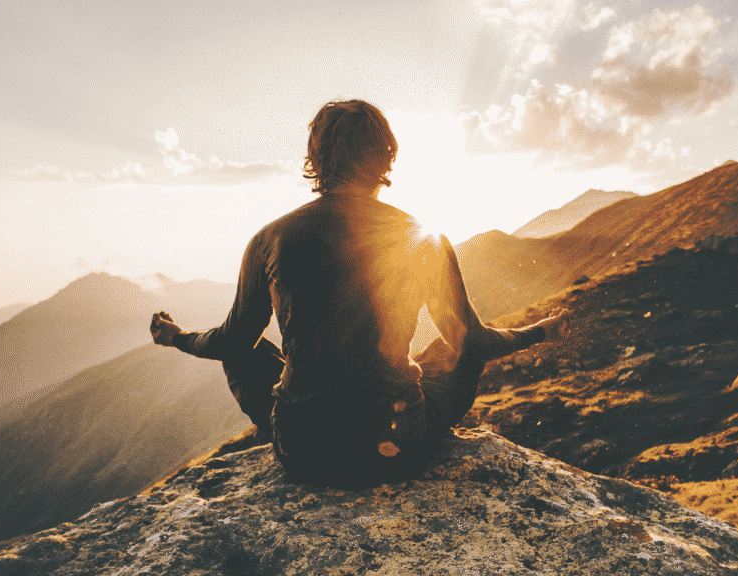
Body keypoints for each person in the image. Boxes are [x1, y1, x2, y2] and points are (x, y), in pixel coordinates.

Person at [150, 99, 568, 487]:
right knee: (456, 349)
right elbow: (473, 343)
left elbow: (231, 342)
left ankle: (303, 421)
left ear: (316, 158)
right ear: (386, 154)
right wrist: (539, 331)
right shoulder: (422, 237)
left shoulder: (270, 239)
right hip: (392, 447)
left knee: (247, 352)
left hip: (301, 451)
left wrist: (177, 337)